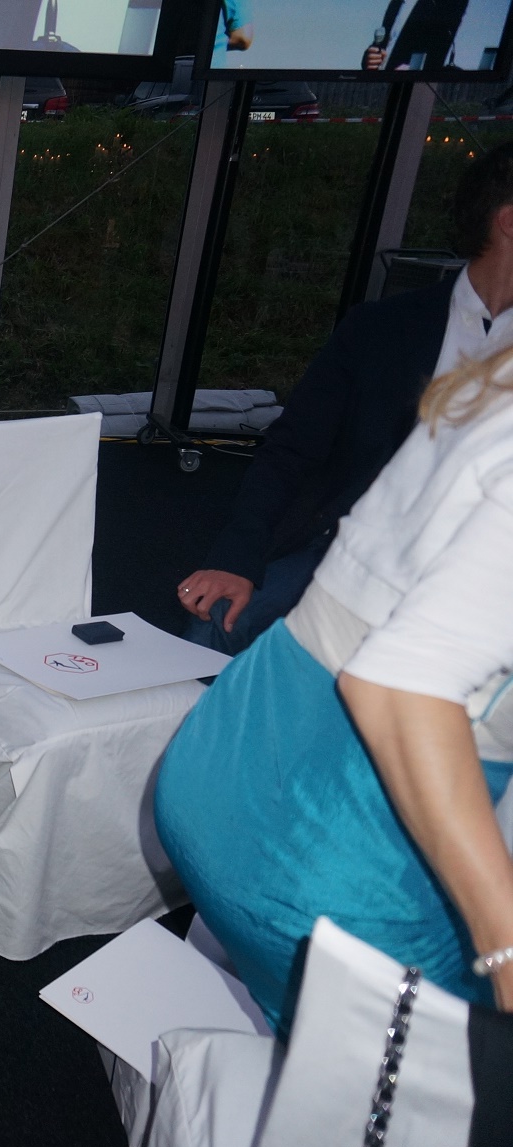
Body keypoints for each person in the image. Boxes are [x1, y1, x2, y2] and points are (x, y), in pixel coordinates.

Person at [155, 342, 513, 1035]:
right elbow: (402, 686)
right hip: (338, 844)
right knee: (448, 1081)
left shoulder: (492, 381)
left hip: (236, 751)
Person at [177, 140, 513, 655]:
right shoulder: (383, 329)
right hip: (352, 551)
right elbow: (292, 449)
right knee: (218, 622)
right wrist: (235, 558)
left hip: (485, 574)